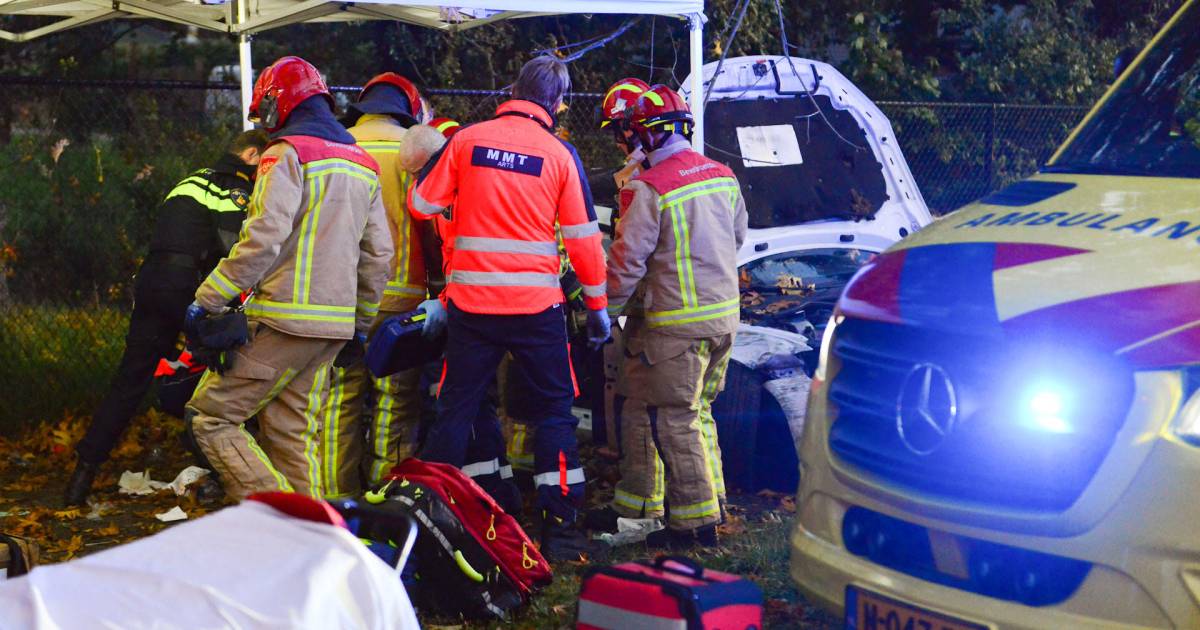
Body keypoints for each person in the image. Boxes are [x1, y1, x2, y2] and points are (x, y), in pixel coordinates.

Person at [407, 55, 610, 560]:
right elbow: (584, 241)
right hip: (537, 309)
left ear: (513, 89)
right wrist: (599, 308)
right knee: (555, 415)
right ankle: (559, 536)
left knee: (456, 409)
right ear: (558, 104)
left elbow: (422, 205)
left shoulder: (467, 141)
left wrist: (464, 195)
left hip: (472, 307)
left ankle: (430, 520)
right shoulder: (560, 155)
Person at [185, 56, 392, 501]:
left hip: (282, 322)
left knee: (211, 417)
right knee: (292, 435)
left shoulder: (286, 154)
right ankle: (313, 548)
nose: (264, 124)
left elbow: (263, 238)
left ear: (279, 106)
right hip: (332, 331)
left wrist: (209, 299)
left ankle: (284, 517)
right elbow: (379, 256)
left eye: (264, 113)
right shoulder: (363, 164)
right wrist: (360, 324)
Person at [64, 129, 269, 506]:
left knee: (131, 379)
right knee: (229, 376)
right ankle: (224, 472)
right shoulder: (234, 186)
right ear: (252, 156)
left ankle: (82, 476)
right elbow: (235, 246)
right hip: (188, 288)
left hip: (152, 283)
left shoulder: (191, 180)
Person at [601, 85, 747, 549]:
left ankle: (693, 529)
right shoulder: (722, 175)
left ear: (645, 134)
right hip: (723, 321)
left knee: (673, 420)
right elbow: (737, 236)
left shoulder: (649, 187)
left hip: (674, 328)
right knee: (698, 412)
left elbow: (627, 265)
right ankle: (712, 504)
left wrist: (602, 312)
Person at [320, 72, 441, 500]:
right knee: (395, 400)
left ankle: (335, 495)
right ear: (408, 111)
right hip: (401, 296)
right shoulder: (411, 151)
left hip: (338, 299)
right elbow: (432, 225)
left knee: (339, 398)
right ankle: (384, 495)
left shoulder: (334, 146)